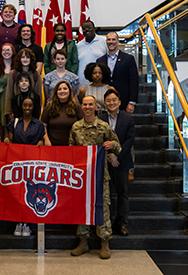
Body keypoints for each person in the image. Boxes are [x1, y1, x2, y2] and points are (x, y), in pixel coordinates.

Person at [68, 95, 121, 260]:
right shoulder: (76, 127)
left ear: (96, 107)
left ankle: (104, 242)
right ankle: (83, 241)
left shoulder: (104, 127)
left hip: (100, 176)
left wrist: (112, 146)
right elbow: (70, 149)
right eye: (85, 104)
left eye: (91, 104)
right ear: (81, 107)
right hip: (81, 175)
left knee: (103, 207)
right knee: (81, 207)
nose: (88, 107)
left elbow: (117, 145)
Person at [5, 96, 51, 237]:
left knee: (29, 193)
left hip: (32, 165)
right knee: (17, 194)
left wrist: (41, 144)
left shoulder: (38, 124)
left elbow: (46, 143)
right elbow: (9, 140)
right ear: (21, 106)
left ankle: (27, 224)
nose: (27, 108)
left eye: (30, 105)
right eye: (25, 105)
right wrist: (6, 139)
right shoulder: (14, 122)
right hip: (16, 164)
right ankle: (19, 222)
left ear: (34, 107)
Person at [99, 89, 135, 237]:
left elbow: (130, 140)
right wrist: (110, 156)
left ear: (119, 102)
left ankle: (122, 224)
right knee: (106, 194)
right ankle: (107, 223)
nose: (111, 103)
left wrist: (117, 156)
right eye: (108, 100)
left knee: (122, 193)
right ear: (105, 103)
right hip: (105, 161)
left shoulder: (128, 118)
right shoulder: (100, 118)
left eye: (114, 100)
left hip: (122, 161)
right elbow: (99, 139)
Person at [97, 31, 139, 114]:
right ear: (106, 42)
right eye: (109, 40)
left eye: (113, 39)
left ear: (118, 41)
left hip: (124, 101)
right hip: (105, 102)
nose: (111, 42)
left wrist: (132, 102)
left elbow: (134, 81)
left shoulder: (128, 59)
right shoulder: (100, 60)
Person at [41, 80, 84, 146]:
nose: (62, 91)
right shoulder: (49, 107)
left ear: (69, 91)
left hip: (72, 146)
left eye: (65, 89)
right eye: (59, 89)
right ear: (56, 92)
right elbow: (43, 126)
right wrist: (46, 140)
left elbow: (83, 126)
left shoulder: (76, 107)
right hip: (52, 145)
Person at [5, 48, 42, 119]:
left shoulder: (36, 74)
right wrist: (9, 112)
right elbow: (9, 94)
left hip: (32, 112)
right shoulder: (13, 73)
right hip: (16, 110)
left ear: (31, 59)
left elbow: (39, 95)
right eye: (23, 57)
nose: (25, 59)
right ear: (19, 59)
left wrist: (38, 113)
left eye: (28, 57)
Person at [76, 20, 107, 87]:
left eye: (89, 27)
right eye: (84, 28)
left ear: (94, 28)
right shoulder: (78, 45)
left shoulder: (104, 41)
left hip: (101, 82)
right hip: (82, 84)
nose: (87, 30)